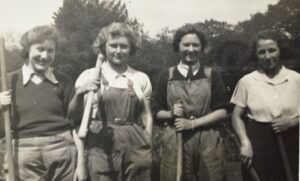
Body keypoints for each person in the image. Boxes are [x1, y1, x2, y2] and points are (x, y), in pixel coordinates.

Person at [70, 22, 153, 181]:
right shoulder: (89, 76)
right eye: (113, 45)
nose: (118, 51)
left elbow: (146, 115)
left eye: (124, 46)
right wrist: (80, 164)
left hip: (136, 147)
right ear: (103, 47)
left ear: (131, 48)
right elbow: (75, 121)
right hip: (101, 147)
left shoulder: (140, 78)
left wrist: (146, 141)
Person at [152, 24, 228, 181]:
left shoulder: (212, 75)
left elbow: (223, 111)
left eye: (195, 45)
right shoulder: (166, 75)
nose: (191, 49)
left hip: (207, 139)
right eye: (186, 44)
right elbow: (155, 110)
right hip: (175, 138)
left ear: (201, 48)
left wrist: (192, 124)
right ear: (178, 46)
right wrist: (171, 113)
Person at [0, 25, 76, 180]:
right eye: (40, 49)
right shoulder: (8, 82)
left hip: (60, 149)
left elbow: (75, 121)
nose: (45, 55)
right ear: (28, 50)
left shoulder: (64, 81)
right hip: (23, 151)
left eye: (50, 50)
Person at [231, 29, 299, 181]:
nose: (268, 57)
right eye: (262, 52)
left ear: (280, 50)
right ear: (255, 55)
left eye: (272, 50)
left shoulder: (296, 79)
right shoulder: (247, 81)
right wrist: (245, 142)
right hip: (258, 142)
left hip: (292, 140)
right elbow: (236, 116)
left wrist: (293, 121)